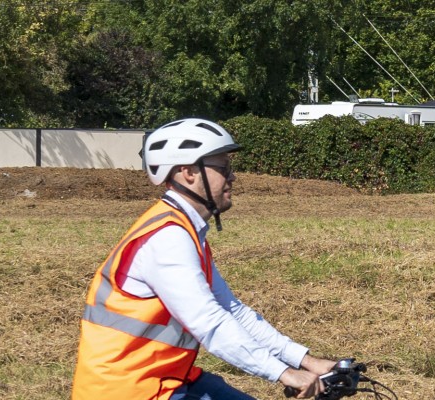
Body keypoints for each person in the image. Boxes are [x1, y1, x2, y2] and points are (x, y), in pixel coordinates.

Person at [72, 118, 339, 399]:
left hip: (168, 380)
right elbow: (210, 324)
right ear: (188, 172)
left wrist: (306, 361)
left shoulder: (186, 231)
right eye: (223, 168)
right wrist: (284, 373)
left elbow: (232, 310)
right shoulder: (167, 239)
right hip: (129, 391)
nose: (232, 177)